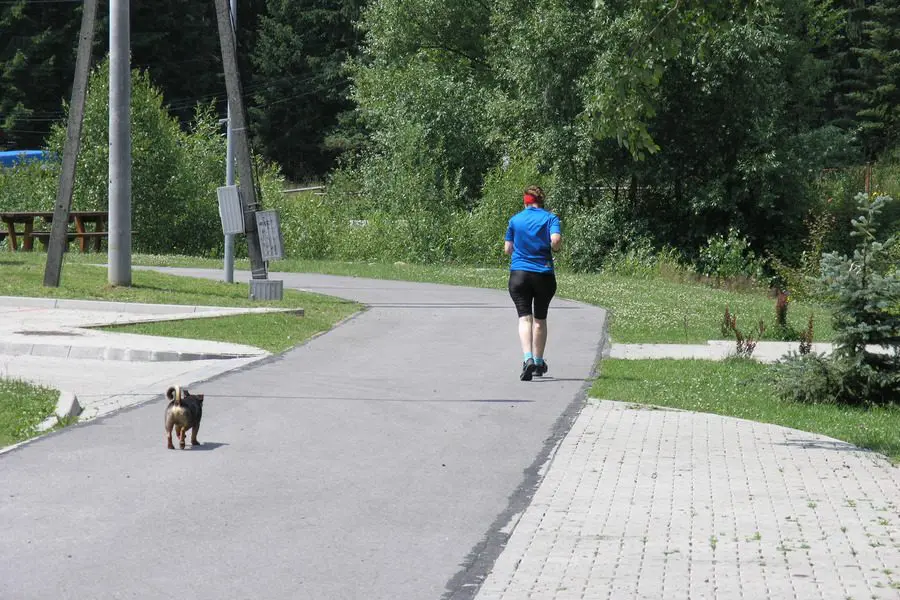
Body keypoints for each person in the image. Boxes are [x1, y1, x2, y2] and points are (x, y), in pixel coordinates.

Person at [504, 185, 562, 381]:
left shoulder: (515, 220)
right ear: (541, 201)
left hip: (519, 275)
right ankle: (538, 363)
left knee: (524, 318)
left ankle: (527, 358)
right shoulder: (550, 218)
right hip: (543, 274)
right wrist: (554, 247)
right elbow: (555, 240)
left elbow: (507, 249)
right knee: (540, 320)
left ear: (525, 201)